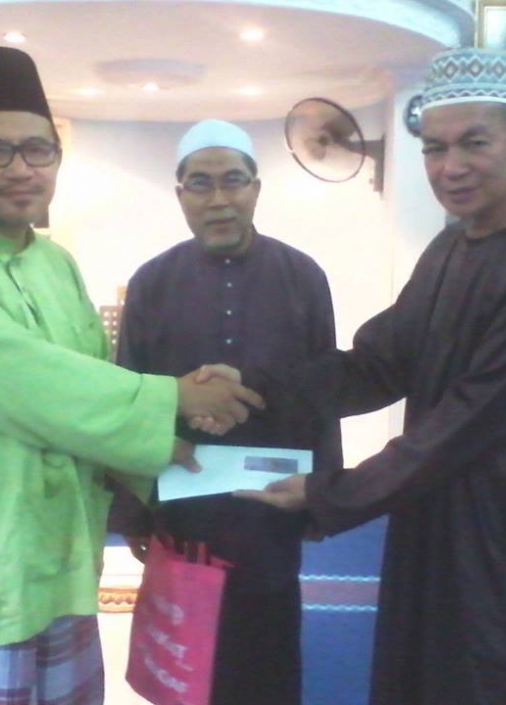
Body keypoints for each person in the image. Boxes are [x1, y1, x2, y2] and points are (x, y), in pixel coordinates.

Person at [0, 47, 262, 705]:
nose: (20, 168)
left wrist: (167, 474)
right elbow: (31, 385)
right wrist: (174, 400)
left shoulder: (54, 264)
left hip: (56, 557)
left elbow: (93, 380)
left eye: (37, 149)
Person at [231, 47, 506, 705]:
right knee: (422, 671)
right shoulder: (452, 244)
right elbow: (382, 362)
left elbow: (472, 419)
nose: (450, 167)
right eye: (434, 148)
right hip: (435, 505)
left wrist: (330, 493)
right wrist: (253, 389)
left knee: (494, 677)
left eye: (474, 143)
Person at [110, 119, 343, 705]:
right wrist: (134, 510)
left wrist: (324, 489)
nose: (219, 199)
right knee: (188, 660)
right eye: (201, 183)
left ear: (256, 188)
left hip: (272, 503)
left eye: (233, 181)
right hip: (185, 501)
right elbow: (131, 390)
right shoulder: (152, 282)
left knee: (268, 648)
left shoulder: (303, 277)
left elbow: (326, 388)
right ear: (180, 194)